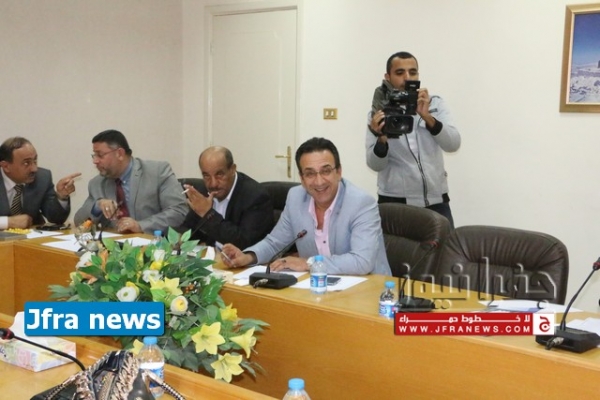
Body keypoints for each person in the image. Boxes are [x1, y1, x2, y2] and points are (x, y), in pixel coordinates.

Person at [222, 137, 390, 276]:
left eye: (326, 171)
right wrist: (248, 256)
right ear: (302, 179)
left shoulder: (361, 203)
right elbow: (275, 243)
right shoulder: (296, 198)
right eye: (310, 174)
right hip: (317, 288)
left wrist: (308, 263)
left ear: (338, 172)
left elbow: (362, 261)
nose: (319, 181)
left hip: (369, 290)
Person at [366, 51, 461, 228]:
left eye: (413, 72)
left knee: (446, 246)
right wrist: (382, 139)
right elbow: (375, 164)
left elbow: (453, 144)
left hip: (437, 201)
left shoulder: (435, 104)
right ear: (388, 77)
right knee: (396, 248)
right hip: (395, 203)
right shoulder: (379, 113)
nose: (407, 78)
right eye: (399, 73)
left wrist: (427, 117)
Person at [74, 129, 187, 233]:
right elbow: (79, 222)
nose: (95, 161)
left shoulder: (157, 172)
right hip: (114, 246)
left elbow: (179, 210)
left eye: (100, 155)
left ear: (120, 154)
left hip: (155, 244)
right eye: (94, 155)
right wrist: (97, 206)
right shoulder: (97, 183)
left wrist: (141, 226)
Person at [179, 146, 274, 249]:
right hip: (213, 256)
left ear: (232, 169)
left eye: (219, 175)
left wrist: (208, 214)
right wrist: (176, 240)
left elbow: (244, 242)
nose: (213, 184)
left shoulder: (255, 196)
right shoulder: (204, 191)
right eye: (206, 176)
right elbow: (188, 230)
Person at [0, 137, 80, 229]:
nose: (34, 169)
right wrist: (8, 222)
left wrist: (61, 196)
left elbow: (56, 218)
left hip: (31, 236)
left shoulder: (42, 178)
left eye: (35, 161)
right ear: (6, 166)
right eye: (26, 163)